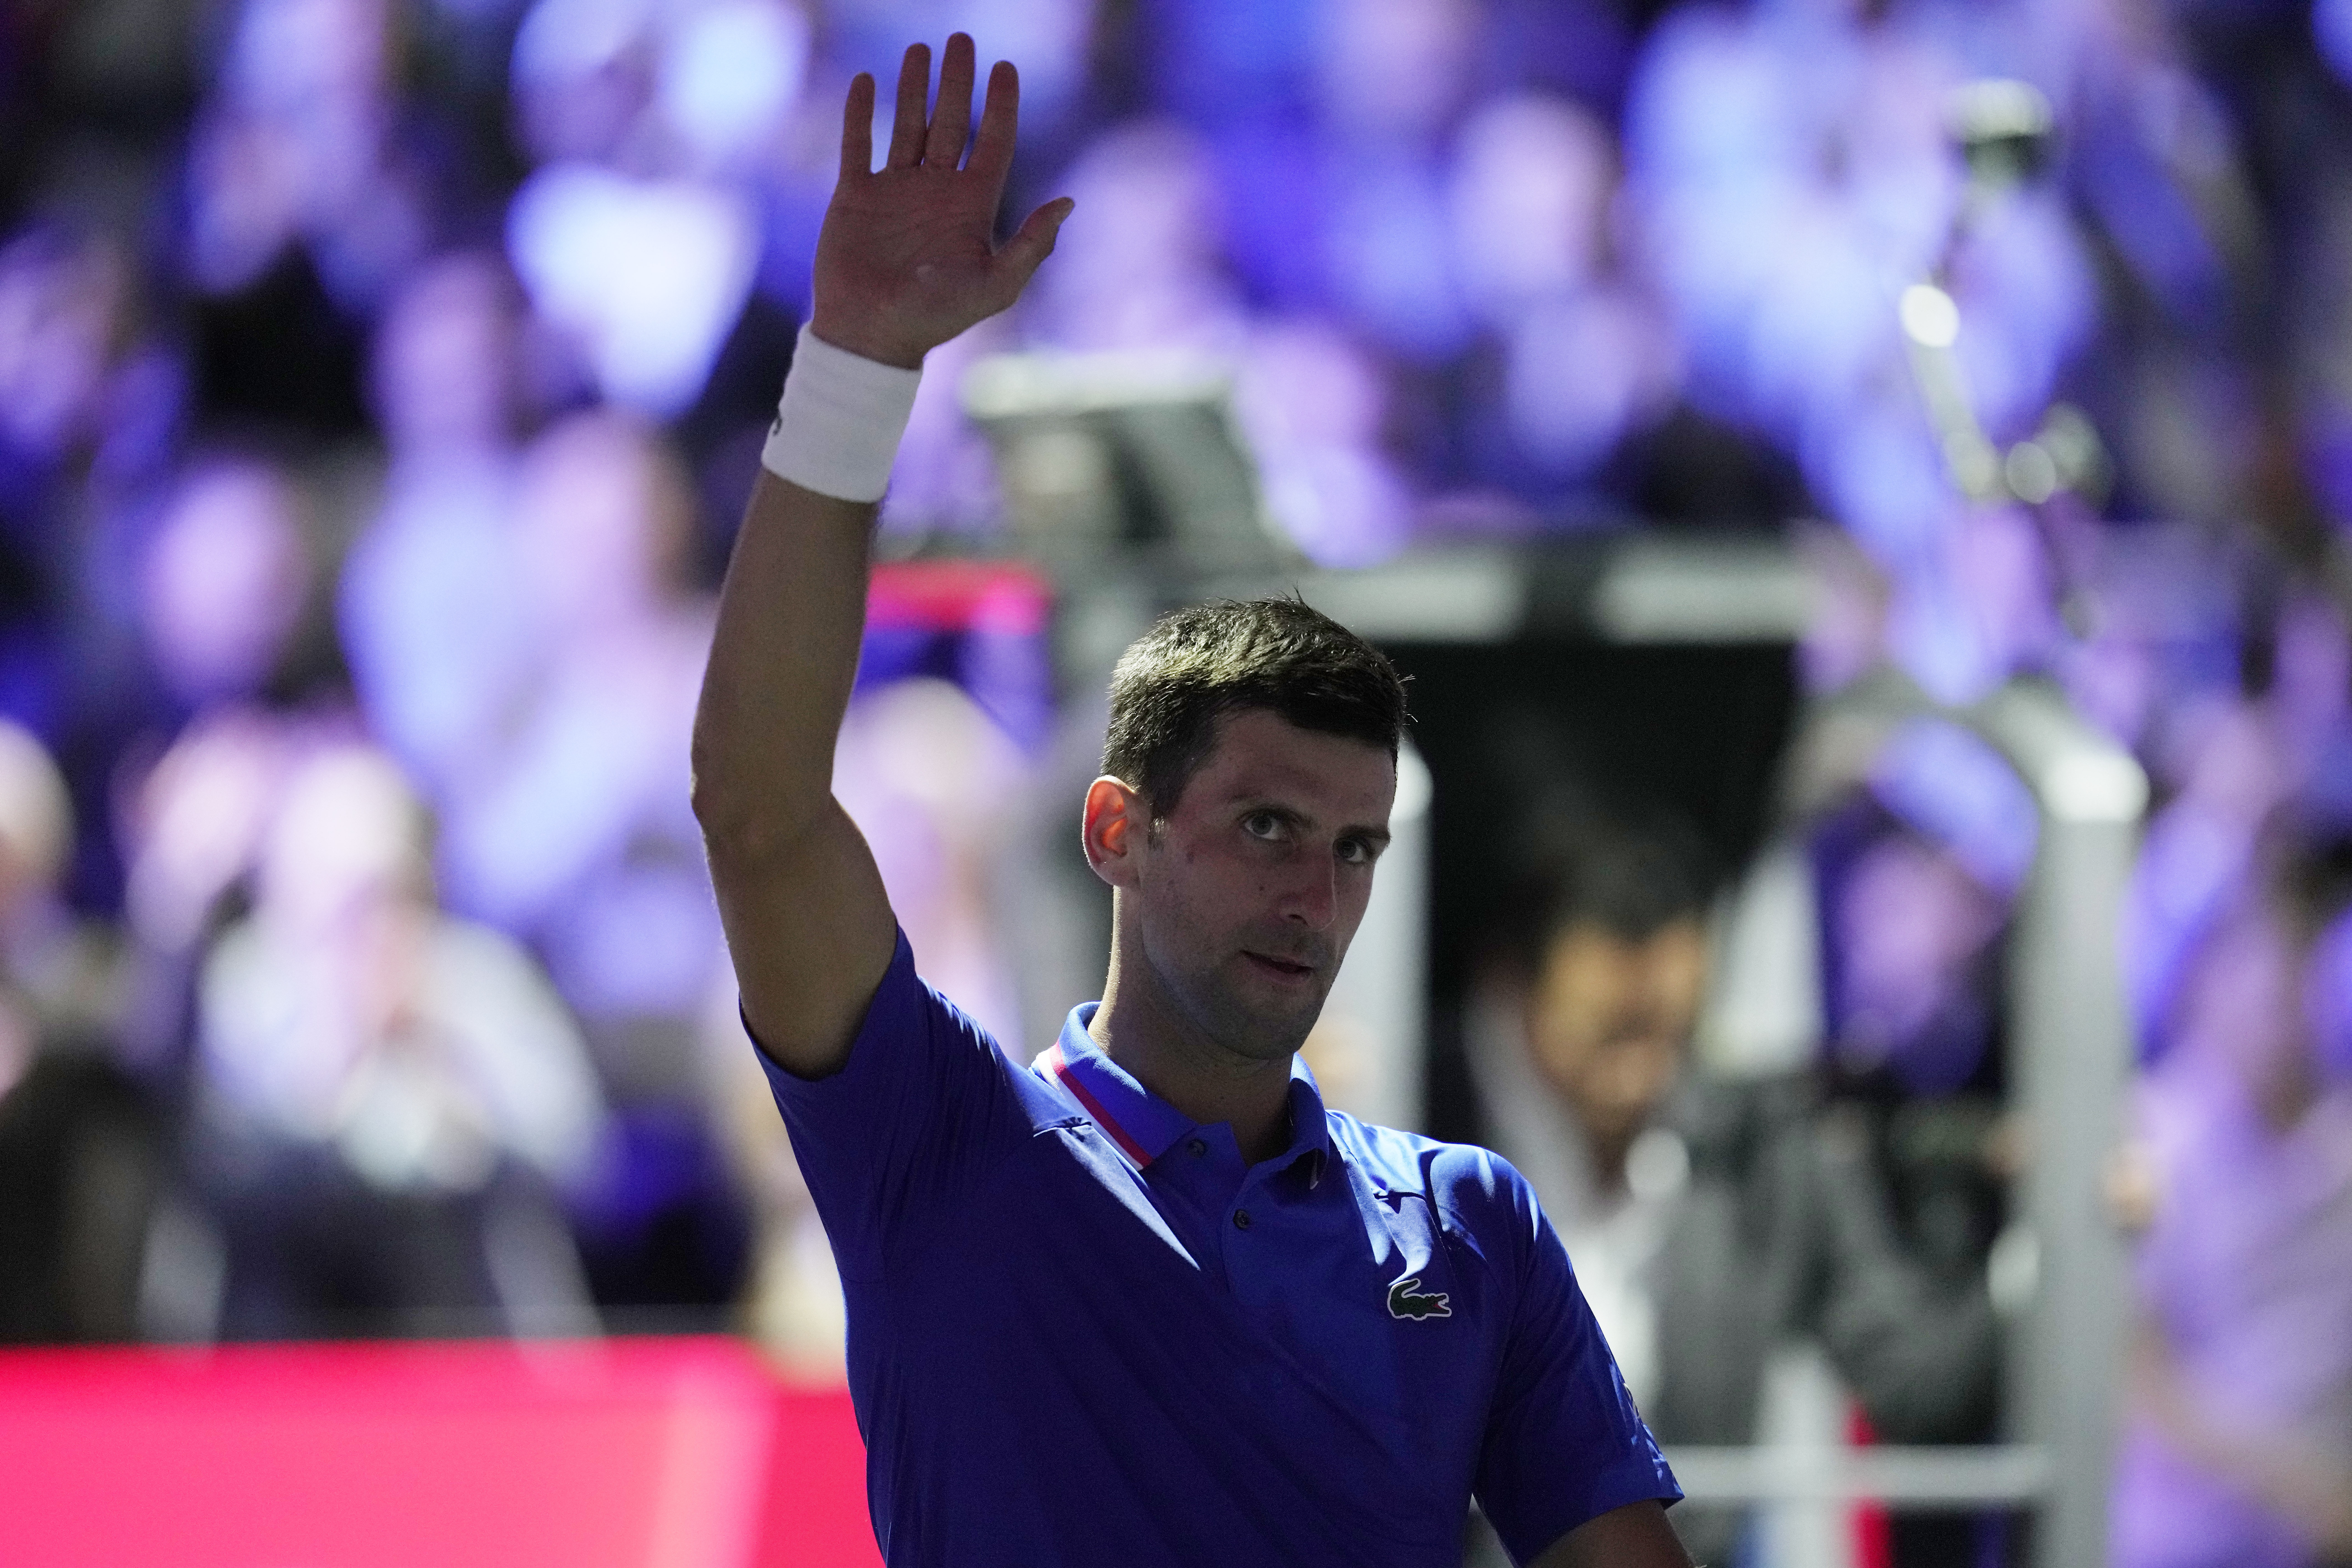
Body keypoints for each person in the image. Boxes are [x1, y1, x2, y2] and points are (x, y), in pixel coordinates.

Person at [692, 35, 1691, 1568]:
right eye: (1266, 829)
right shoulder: (943, 1143)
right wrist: (858, 364)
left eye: (1354, 848)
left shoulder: (1469, 1222)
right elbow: (758, 811)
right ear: (1116, 834)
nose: (1317, 897)